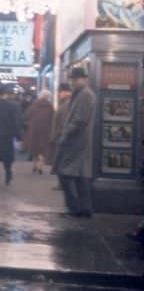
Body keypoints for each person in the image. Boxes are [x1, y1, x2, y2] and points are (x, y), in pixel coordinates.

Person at [54, 67, 97, 218]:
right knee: (80, 176)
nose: (72, 82)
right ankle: (83, 209)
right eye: (71, 79)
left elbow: (79, 120)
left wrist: (64, 136)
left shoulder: (86, 95)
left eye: (75, 79)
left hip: (77, 141)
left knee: (66, 174)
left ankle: (75, 208)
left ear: (84, 79)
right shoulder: (81, 94)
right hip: (77, 141)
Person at [23, 90, 55, 175]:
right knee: (43, 150)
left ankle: (35, 165)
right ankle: (40, 166)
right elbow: (53, 119)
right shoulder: (50, 107)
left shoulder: (34, 105)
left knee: (35, 149)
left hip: (34, 131)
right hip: (46, 131)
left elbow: (26, 116)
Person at [49, 83, 72, 190]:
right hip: (61, 138)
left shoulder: (67, 104)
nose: (58, 94)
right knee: (61, 162)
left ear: (65, 92)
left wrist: (57, 136)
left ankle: (63, 184)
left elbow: (64, 123)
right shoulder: (65, 103)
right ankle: (62, 183)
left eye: (60, 92)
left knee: (61, 162)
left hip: (62, 139)